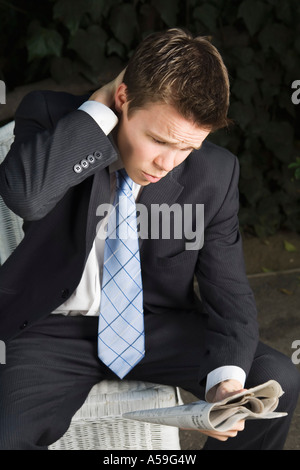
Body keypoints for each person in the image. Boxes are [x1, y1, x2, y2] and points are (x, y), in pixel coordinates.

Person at [0, 28, 299, 450]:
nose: (167, 163)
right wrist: (98, 109)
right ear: (123, 99)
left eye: (187, 148)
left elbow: (229, 294)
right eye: (158, 140)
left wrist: (226, 385)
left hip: (158, 328)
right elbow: (26, 196)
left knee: (278, 379)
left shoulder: (215, 173)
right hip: (52, 329)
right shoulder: (51, 117)